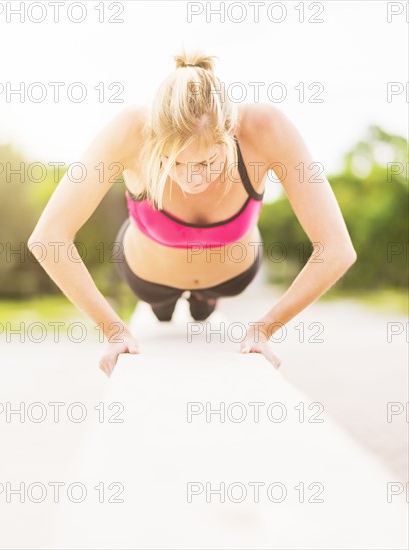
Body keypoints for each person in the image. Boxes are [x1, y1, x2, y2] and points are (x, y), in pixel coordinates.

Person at [28, 48, 357, 377]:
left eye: (206, 162)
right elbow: (48, 238)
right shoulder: (130, 130)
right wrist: (113, 330)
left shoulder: (265, 128)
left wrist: (265, 327)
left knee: (204, 309)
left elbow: (337, 250)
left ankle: (206, 300)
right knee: (161, 310)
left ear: (230, 135)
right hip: (148, 279)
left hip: (231, 279)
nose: (191, 179)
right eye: (174, 162)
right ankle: (170, 303)